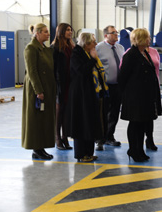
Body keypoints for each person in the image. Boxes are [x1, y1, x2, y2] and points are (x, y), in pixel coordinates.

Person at [118, 28, 162, 162]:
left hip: (145, 96)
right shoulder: (130, 55)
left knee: (142, 125)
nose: (150, 40)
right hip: (135, 97)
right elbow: (122, 78)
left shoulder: (144, 53)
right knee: (135, 124)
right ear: (141, 39)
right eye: (148, 37)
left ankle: (140, 150)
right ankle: (133, 150)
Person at [65, 33, 105, 162]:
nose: (95, 44)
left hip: (89, 91)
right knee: (81, 123)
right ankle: (81, 154)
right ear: (86, 43)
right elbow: (81, 71)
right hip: (80, 94)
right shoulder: (77, 53)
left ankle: (89, 152)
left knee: (90, 122)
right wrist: (93, 59)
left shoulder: (87, 53)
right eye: (93, 42)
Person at [21, 23, 56, 160]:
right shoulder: (31, 48)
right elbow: (32, 72)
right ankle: (36, 149)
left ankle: (42, 147)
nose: (48, 34)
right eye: (45, 32)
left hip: (47, 87)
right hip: (37, 89)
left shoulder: (44, 48)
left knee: (44, 119)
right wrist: (38, 90)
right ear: (37, 33)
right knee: (36, 119)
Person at [95, 25, 125, 149]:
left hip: (118, 86)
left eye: (116, 32)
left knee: (114, 113)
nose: (116, 34)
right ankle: (99, 138)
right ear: (106, 35)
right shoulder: (98, 48)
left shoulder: (120, 47)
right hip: (105, 86)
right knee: (103, 112)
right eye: (113, 33)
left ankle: (109, 136)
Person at [51, 23, 74, 150]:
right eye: (67, 30)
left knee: (66, 112)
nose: (70, 32)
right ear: (61, 32)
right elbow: (53, 68)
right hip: (60, 83)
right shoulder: (55, 47)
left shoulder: (71, 46)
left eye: (71, 30)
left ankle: (65, 137)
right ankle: (57, 138)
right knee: (59, 112)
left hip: (70, 83)